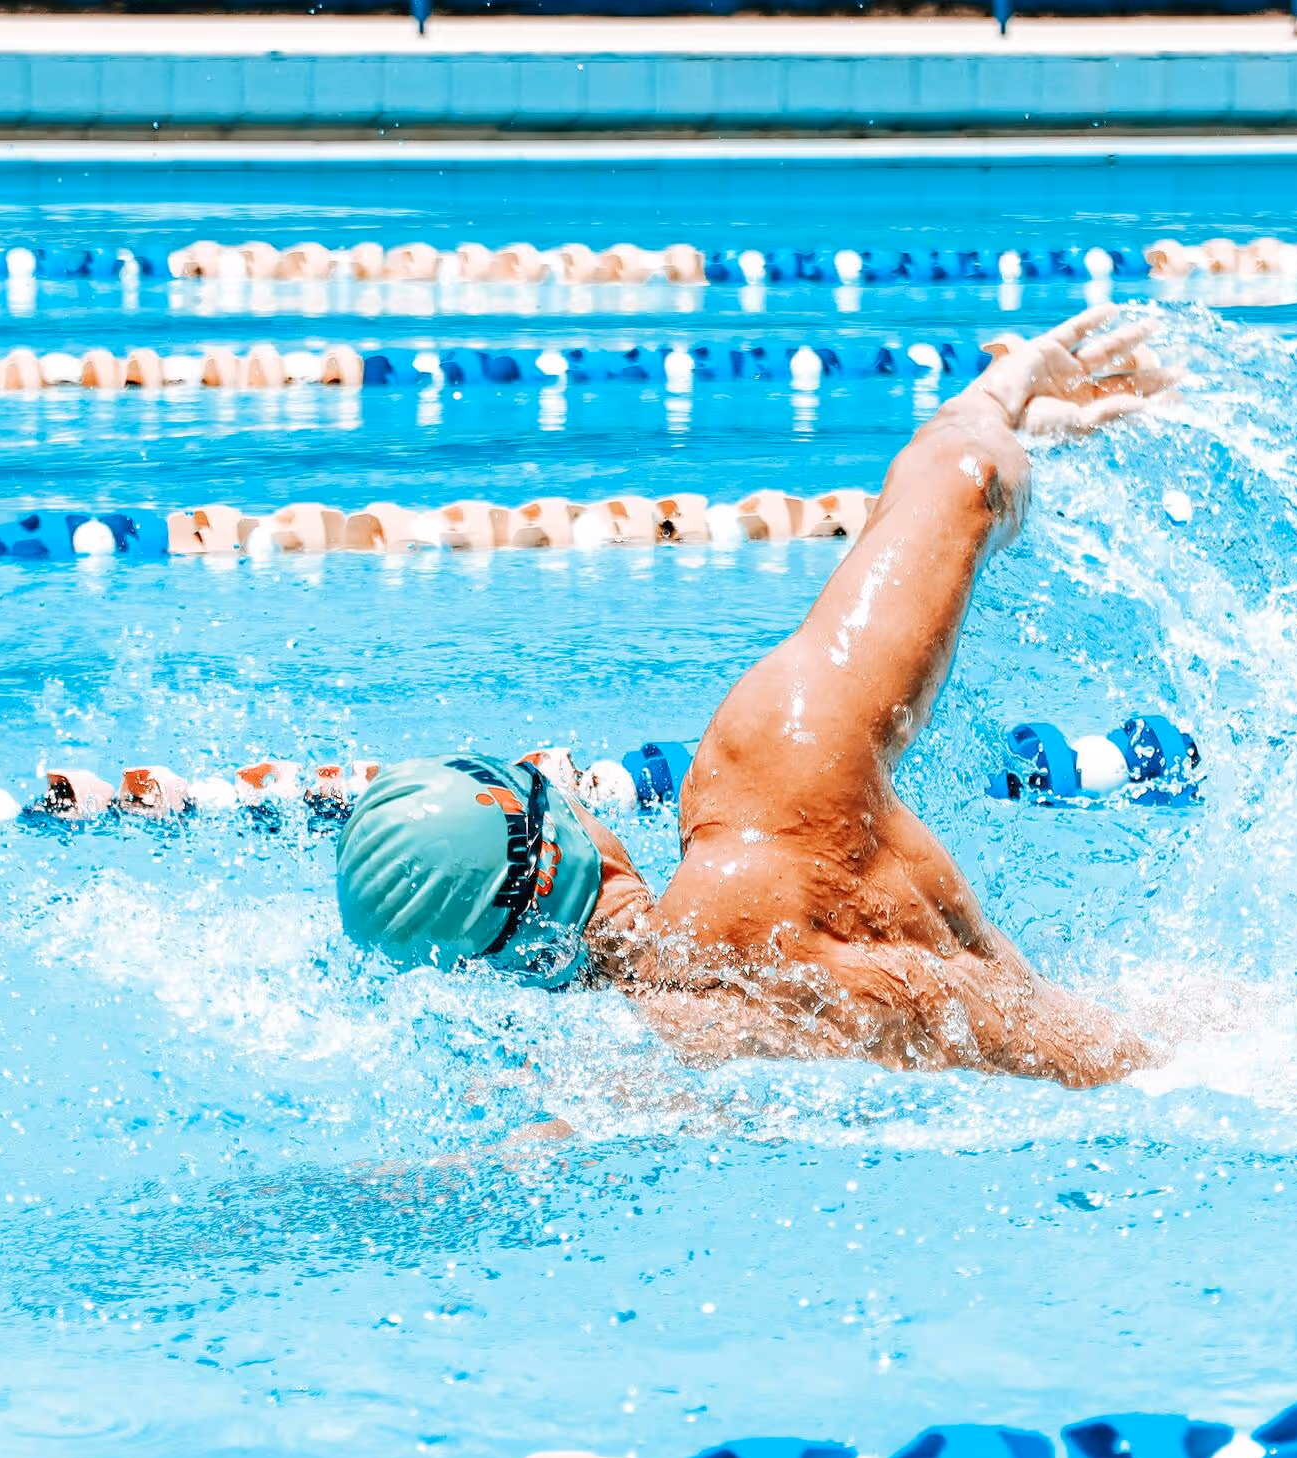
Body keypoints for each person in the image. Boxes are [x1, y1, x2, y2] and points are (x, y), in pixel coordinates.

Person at [335, 305, 1171, 1089]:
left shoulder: (662, 1053)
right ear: (553, 837)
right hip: (1183, 1065)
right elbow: (963, 479)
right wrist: (995, 399)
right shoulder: (771, 783)